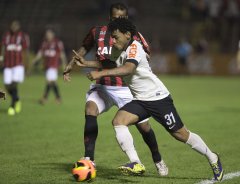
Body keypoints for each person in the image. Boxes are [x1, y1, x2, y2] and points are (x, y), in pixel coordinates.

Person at [74, 17, 224, 181]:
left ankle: (212, 157)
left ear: (127, 35)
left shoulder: (134, 47)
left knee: (181, 134)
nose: (113, 40)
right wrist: (86, 62)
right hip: (140, 100)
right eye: (112, 37)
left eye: (116, 36)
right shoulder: (118, 49)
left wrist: (100, 74)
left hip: (158, 98)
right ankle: (136, 162)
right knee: (119, 121)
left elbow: (127, 68)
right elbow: (110, 64)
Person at [63, 3, 168, 176]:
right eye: (115, 18)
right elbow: (84, 47)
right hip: (102, 85)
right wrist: (71, 63)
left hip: (125, 87)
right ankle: (89, 158)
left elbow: (145, 55)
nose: (119, 20)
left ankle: (157, 158)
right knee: (90, 109)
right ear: (109, 18)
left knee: (144, 126)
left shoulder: (132, 35)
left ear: (126, 18)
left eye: (122, 18)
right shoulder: (97, 32)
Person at [0, 20, 30, 116]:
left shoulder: (22, 36)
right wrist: (1, 59)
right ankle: (17, 99)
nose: (14, 27)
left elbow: (26, 51)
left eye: (15, 26)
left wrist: (27, 66)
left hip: (18, 65)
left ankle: (12, 107)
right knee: (7, 85)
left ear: (18, 27)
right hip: (7, 64)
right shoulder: (6, 36)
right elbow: (3, 48)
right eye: (12, 25)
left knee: (14, 84)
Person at [32, 29, 67, 104]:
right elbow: (40, 53)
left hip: (54, 65)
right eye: (47, 34)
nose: (48, 36)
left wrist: (64, 64)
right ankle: (57, 98)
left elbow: (62, 54)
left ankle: (45, 98)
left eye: (49, 34)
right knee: (52, 82)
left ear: (53, 35)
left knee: (50, 81)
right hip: (47, 66)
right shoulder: (44, 43)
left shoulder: (57, 42)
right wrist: (35, 60)